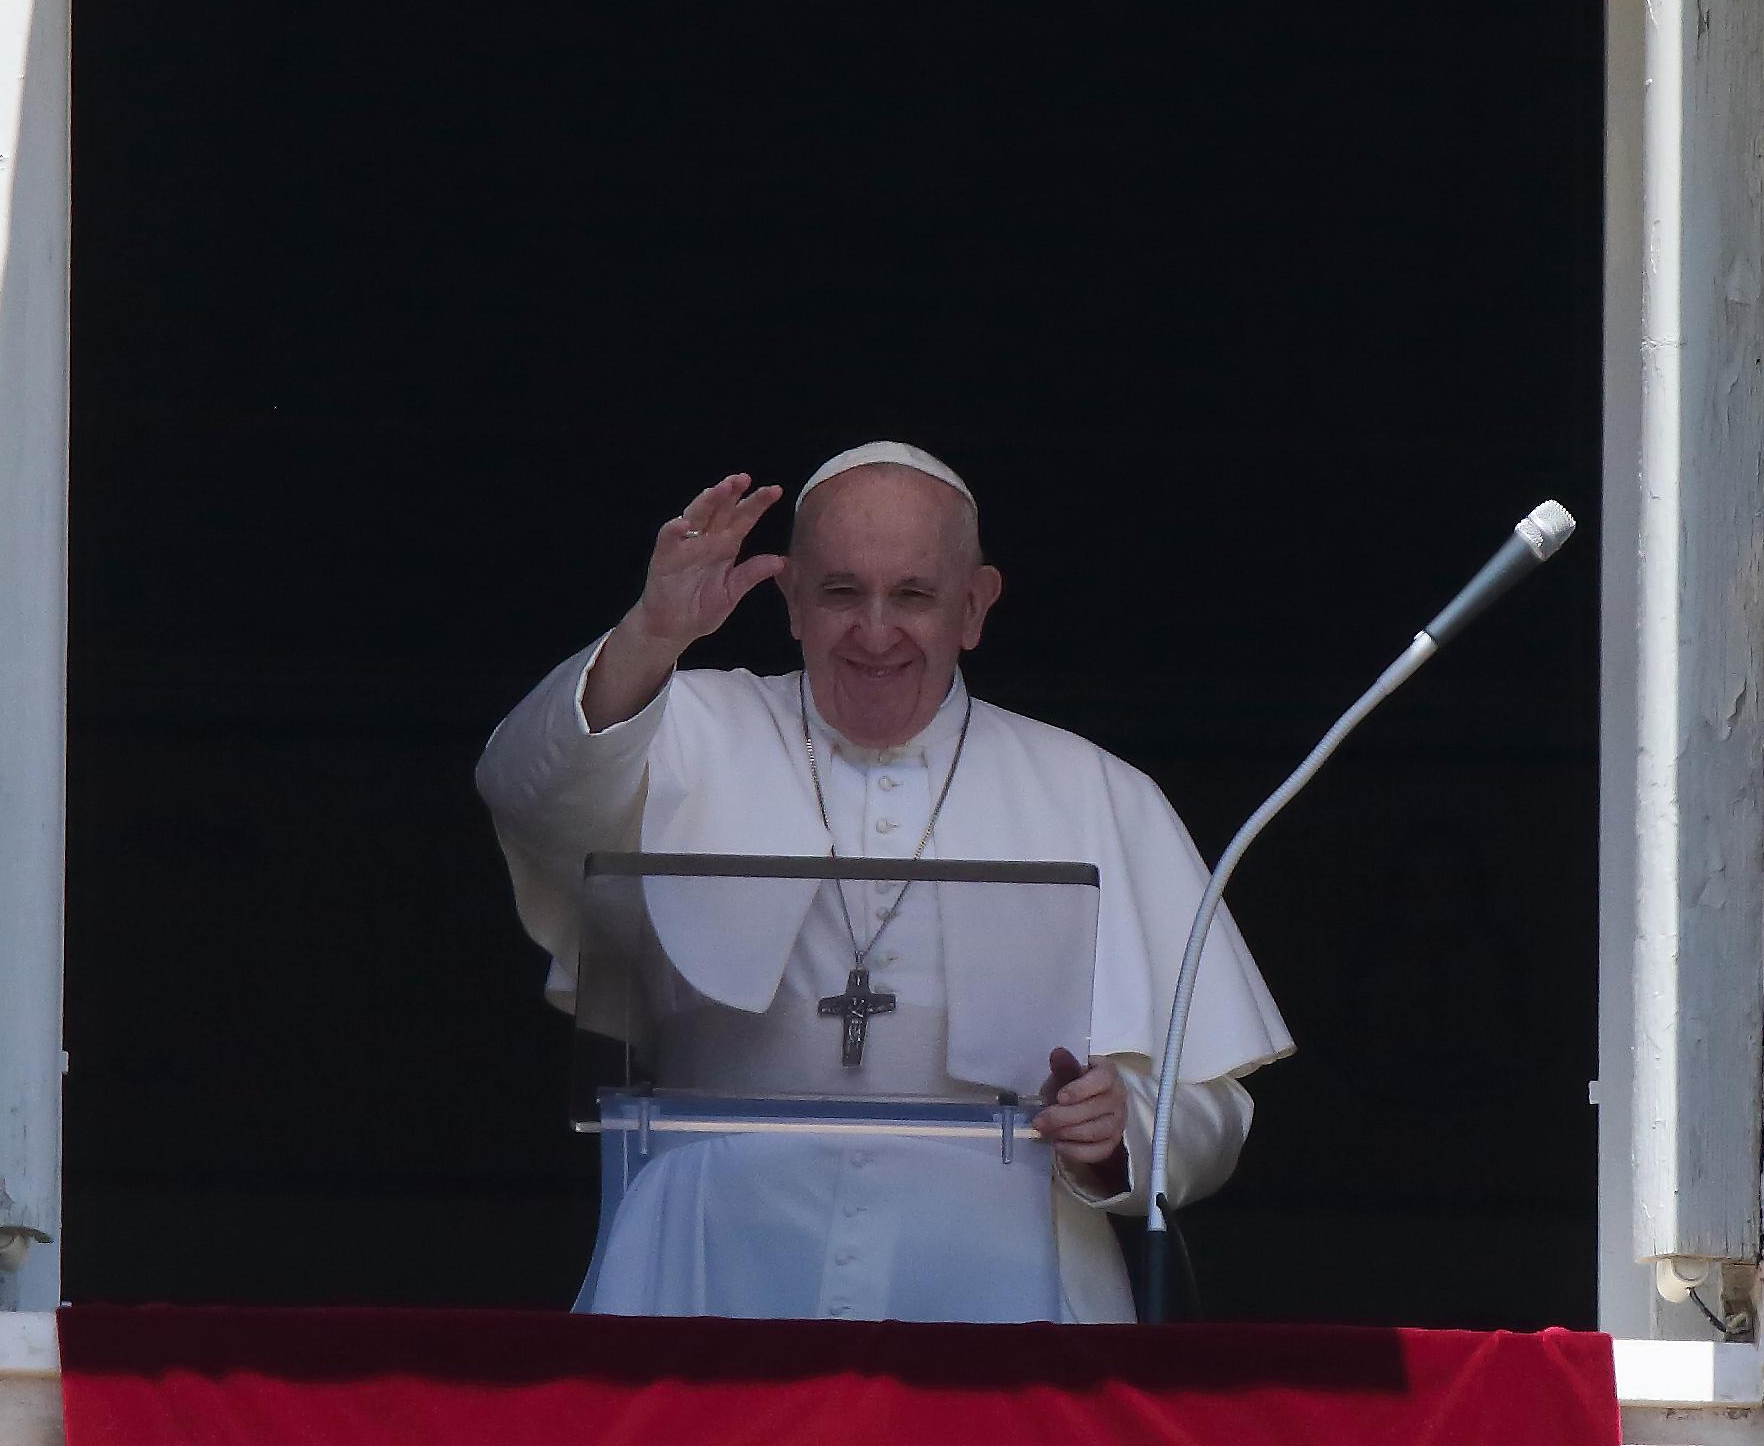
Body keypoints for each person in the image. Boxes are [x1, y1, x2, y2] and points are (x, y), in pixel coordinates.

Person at [477, 442, 1291, 1322]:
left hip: (1001, 1271)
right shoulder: (684, 723)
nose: (874, 631)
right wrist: (653, 632)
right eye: (839, 592)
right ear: (789, 601)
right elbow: (527, 791)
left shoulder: (1093, 790)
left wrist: (1119, 1130)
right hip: (715, 1244)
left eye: (912, 595)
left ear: (974, 607)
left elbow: (1209, 1109)